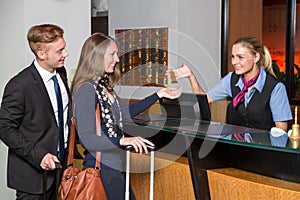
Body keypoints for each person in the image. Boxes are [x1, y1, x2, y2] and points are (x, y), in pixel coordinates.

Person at [70, 32, 182, 200]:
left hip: (114, 169)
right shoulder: (87, 90)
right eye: (112, 54)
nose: (117, 59)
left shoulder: (103, 87)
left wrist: (158, 94)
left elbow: (126, 112)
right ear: (97, 57)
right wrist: (122, 140)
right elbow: (87, 138)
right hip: (101, 171)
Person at [0, 24, 70, 199]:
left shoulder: (61, 73)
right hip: (33, 179)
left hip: (61, 172)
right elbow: (5, 128)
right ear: (41, 54)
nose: (66, 54)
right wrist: (40, 155)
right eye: (60, 51)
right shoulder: (19, 86)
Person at [168, 36, 292, 132]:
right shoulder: (231, 79)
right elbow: (204, 100)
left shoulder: (275, 88)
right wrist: (191, 76)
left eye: (240, 57)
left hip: (264, 152)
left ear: (256, 57)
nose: (234, 62)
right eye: (233, 57)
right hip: (236, 148)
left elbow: (281, 131)